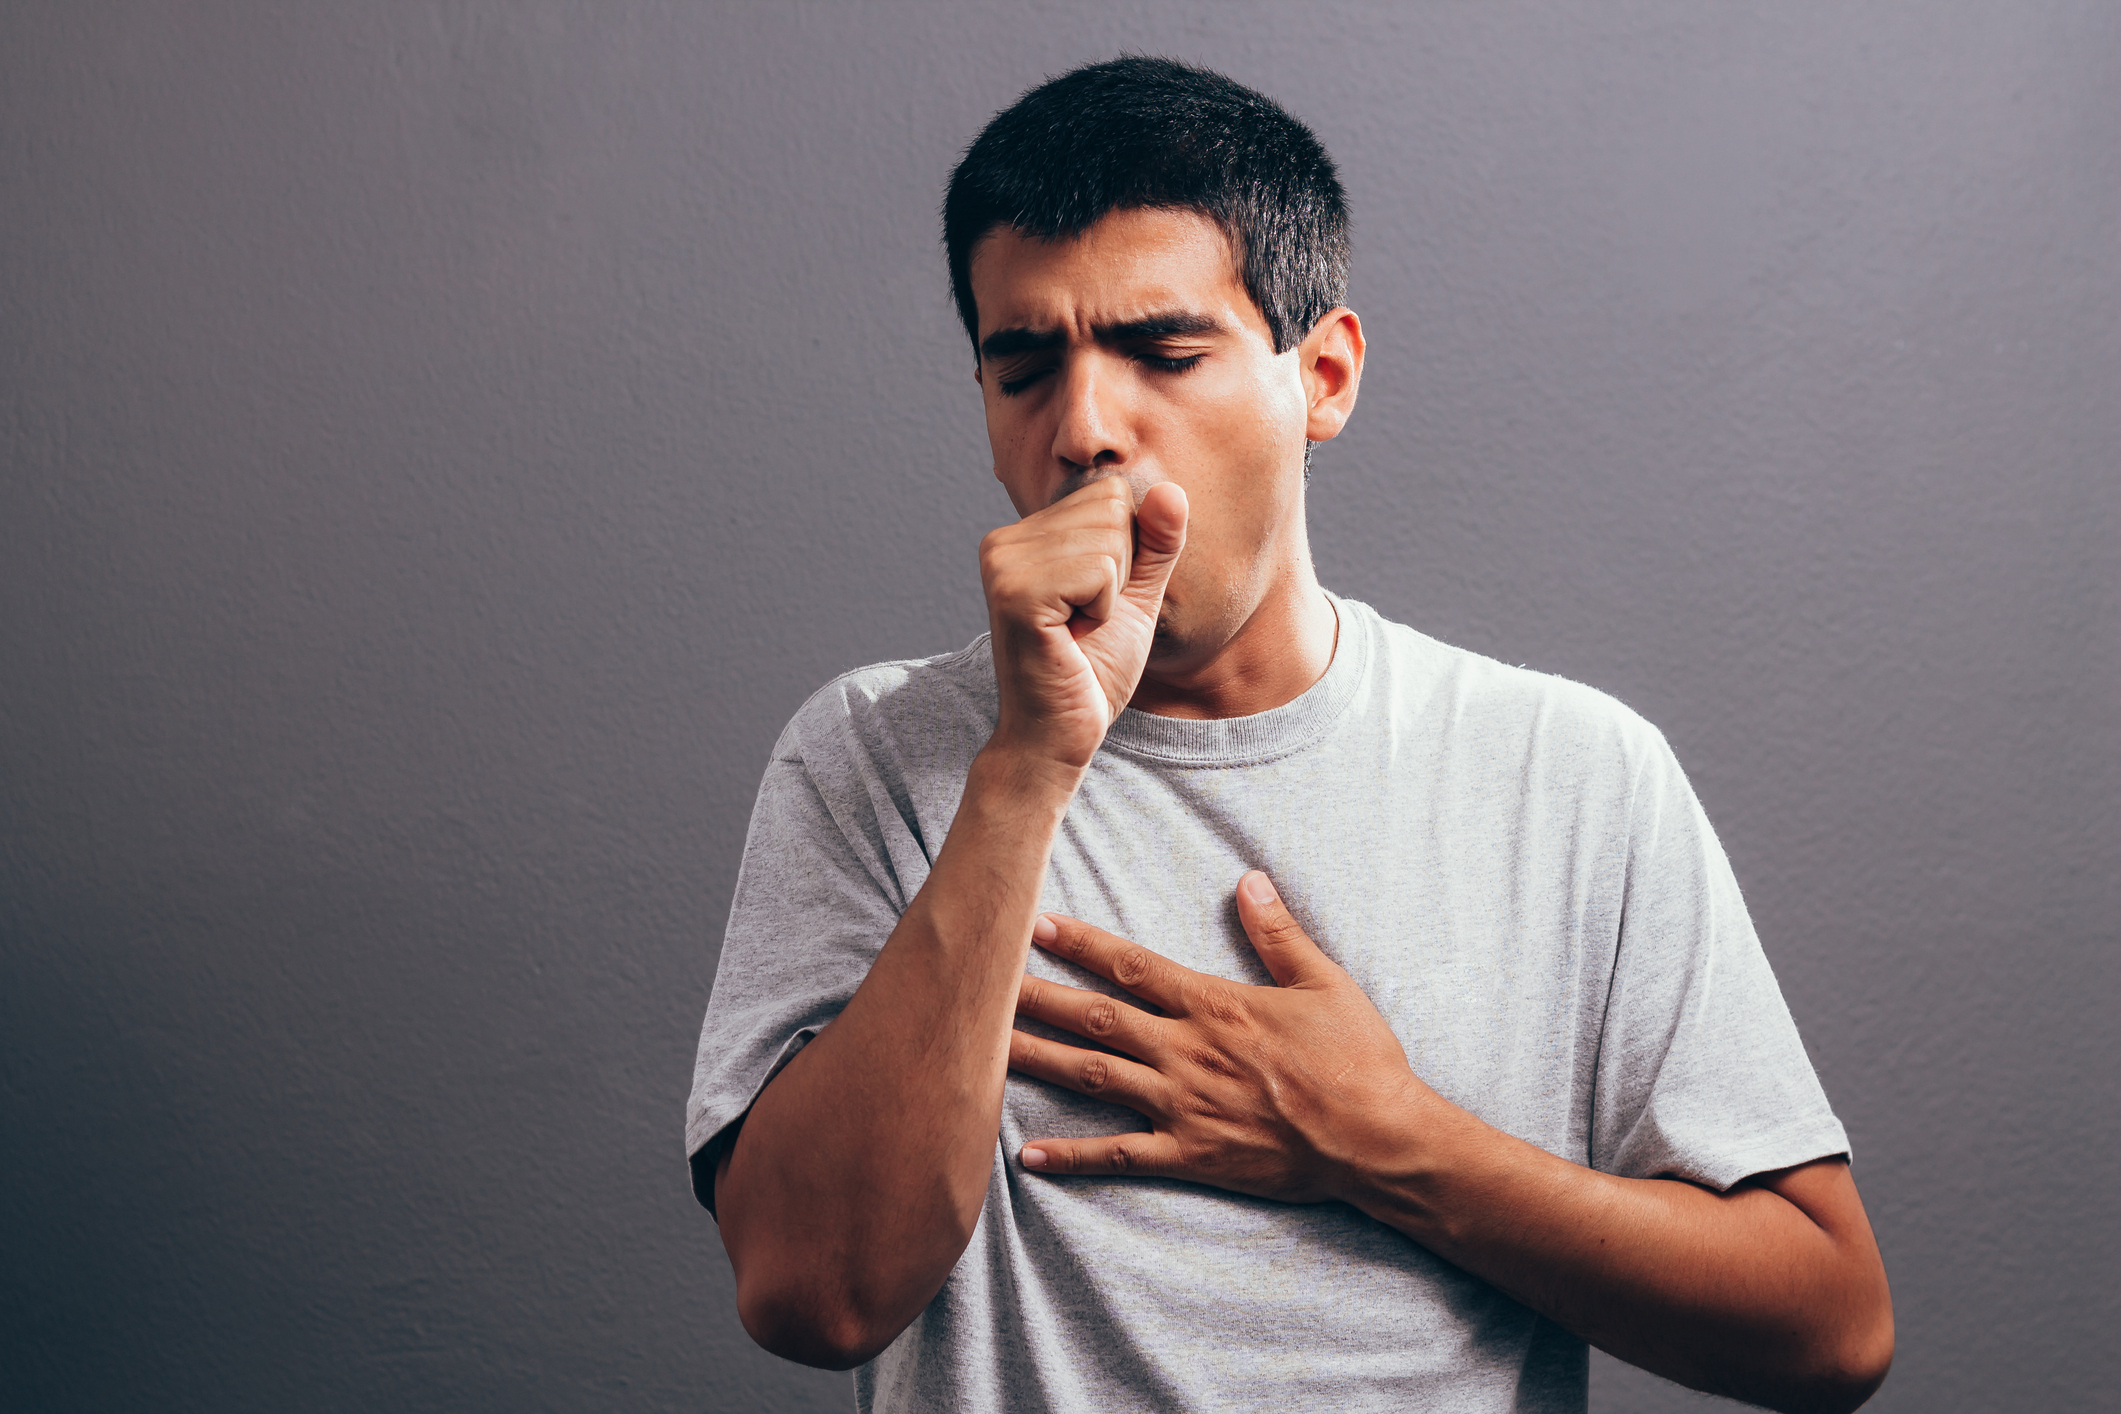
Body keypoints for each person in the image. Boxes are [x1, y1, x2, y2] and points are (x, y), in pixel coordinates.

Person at [688, 56, 1893, 1414]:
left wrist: (1382, 1139)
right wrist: (1025, 769)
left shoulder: (1569, 771)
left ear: (1319, 377)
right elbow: (811, 1289)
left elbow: (1827, 1328)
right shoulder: (871, 757)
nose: (1084, 428)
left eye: (1163, 353)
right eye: (1023, 366)